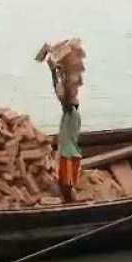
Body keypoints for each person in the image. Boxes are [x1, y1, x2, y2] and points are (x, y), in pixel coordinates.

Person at [48, 61, 82, 202]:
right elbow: (60, 93)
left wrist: (62, 74)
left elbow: (64, 97)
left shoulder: (71, 112)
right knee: (65, 185)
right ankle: (70, 205)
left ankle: (75, 208)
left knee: (67, 186)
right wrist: (54, 73)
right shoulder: (70, 113)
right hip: (68, 153)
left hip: (68, 154)